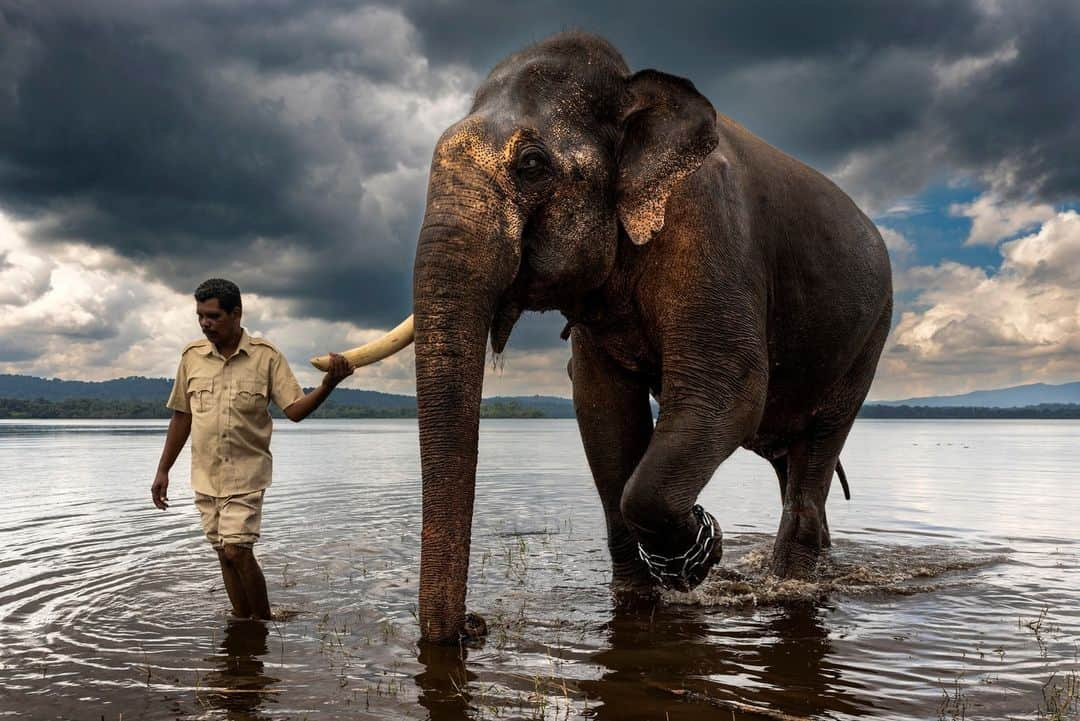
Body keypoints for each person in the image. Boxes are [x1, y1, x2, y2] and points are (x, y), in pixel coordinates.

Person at [151, 278, 353, 620]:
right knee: (222, 552)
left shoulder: (266, 357)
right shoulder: (191, 357)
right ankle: (243, 621)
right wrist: (163, 470)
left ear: (236, 313)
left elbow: (295, 410)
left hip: (246, 475)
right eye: (200, 316)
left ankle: (262, 623)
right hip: (205, 475)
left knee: (237, 550)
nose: (205, 323)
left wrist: (328, 385)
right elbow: (181, 417)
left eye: (213, 316)